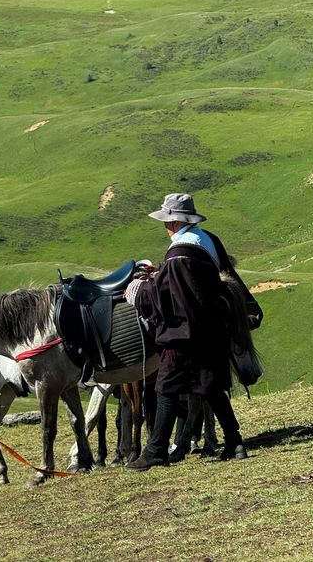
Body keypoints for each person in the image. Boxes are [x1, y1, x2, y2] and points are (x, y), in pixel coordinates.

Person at [124, 192, 259, 471]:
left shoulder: (178, 254)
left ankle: (156, 450)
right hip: (212, 328)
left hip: (184, 334)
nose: (164, 227)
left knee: (165, 387)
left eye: (165, 222)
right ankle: (235, 443)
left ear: (173, 222)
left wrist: (138, 290)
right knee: (209, 386)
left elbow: (167, 296)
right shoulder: (206, 239)